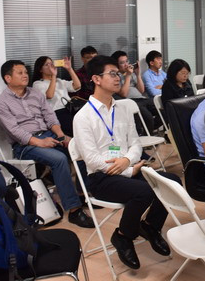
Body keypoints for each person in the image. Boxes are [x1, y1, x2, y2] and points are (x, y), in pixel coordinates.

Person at [72, 55, 181, 270]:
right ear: (96, 79)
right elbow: (91, 159)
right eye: (112, 74)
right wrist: (128, 170)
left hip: (128, 167)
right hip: (101, 178)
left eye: (118, 74)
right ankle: (123, 236)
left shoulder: (122, 109)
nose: (118, 78)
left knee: (172, 181)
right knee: (144, 191)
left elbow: (135, 143)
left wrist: (127, 161)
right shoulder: (83, 116)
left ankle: (150, 226)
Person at [0, 60, 93, 228]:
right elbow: (15, 131)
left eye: (26, 72)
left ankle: (82, 194)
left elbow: (50, 116)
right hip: (25, 145)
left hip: (49, 134)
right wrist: (40, 142)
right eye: (20, 73)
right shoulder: (1, 103)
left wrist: (61, 136)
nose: (25, 75)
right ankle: (74, 210)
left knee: (80, 149)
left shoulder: (35, 93)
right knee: (59, 159)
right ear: (8, 78)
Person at [32, 56, 81, 136]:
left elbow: (77, 86)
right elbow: (49, 95)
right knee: (76, 129)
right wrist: (54, 76)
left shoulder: (59, 81)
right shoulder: (38, 84)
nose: (50, 66)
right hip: (56, 113)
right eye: (47, 65)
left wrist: (69, 69)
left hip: (70, 109)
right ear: (40, 69)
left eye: (51, 63)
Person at [111, 50, 157, 133]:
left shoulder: (132, 73)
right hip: (132, 102)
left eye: (127, 61)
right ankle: (147, 135)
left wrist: (138, 74)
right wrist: (128, 75)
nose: (126, 65)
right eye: (122, 63)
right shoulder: (115, 77)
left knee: (165, 109)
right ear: (116, 64)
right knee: (148, 117)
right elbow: (124, 94)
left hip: (142, 99)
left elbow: (141, 90)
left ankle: (147, 132)